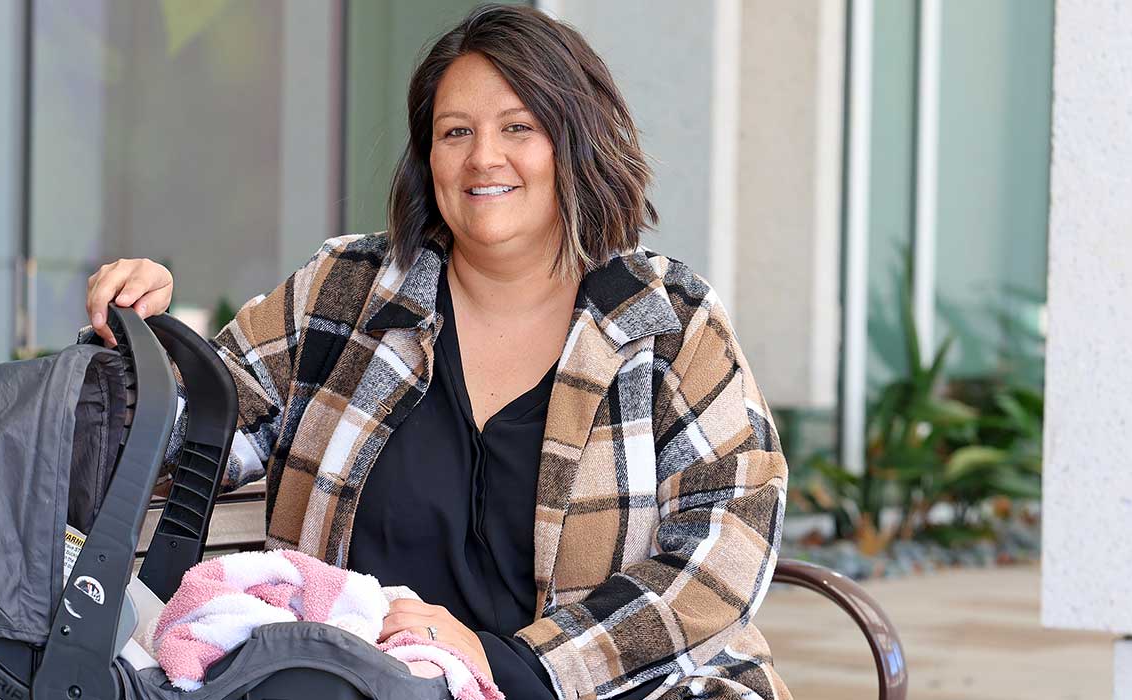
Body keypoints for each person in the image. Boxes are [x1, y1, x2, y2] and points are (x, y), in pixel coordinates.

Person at [80, 6, 788, 699]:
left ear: (577, 141)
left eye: (519, 127)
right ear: (428, 157)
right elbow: (194, 431)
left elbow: (726, 548)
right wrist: (138, 340)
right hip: (360, 683)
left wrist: (511, 663)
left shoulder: (667, 322)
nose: (483, 157)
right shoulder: (347, 295)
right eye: (456, 132)